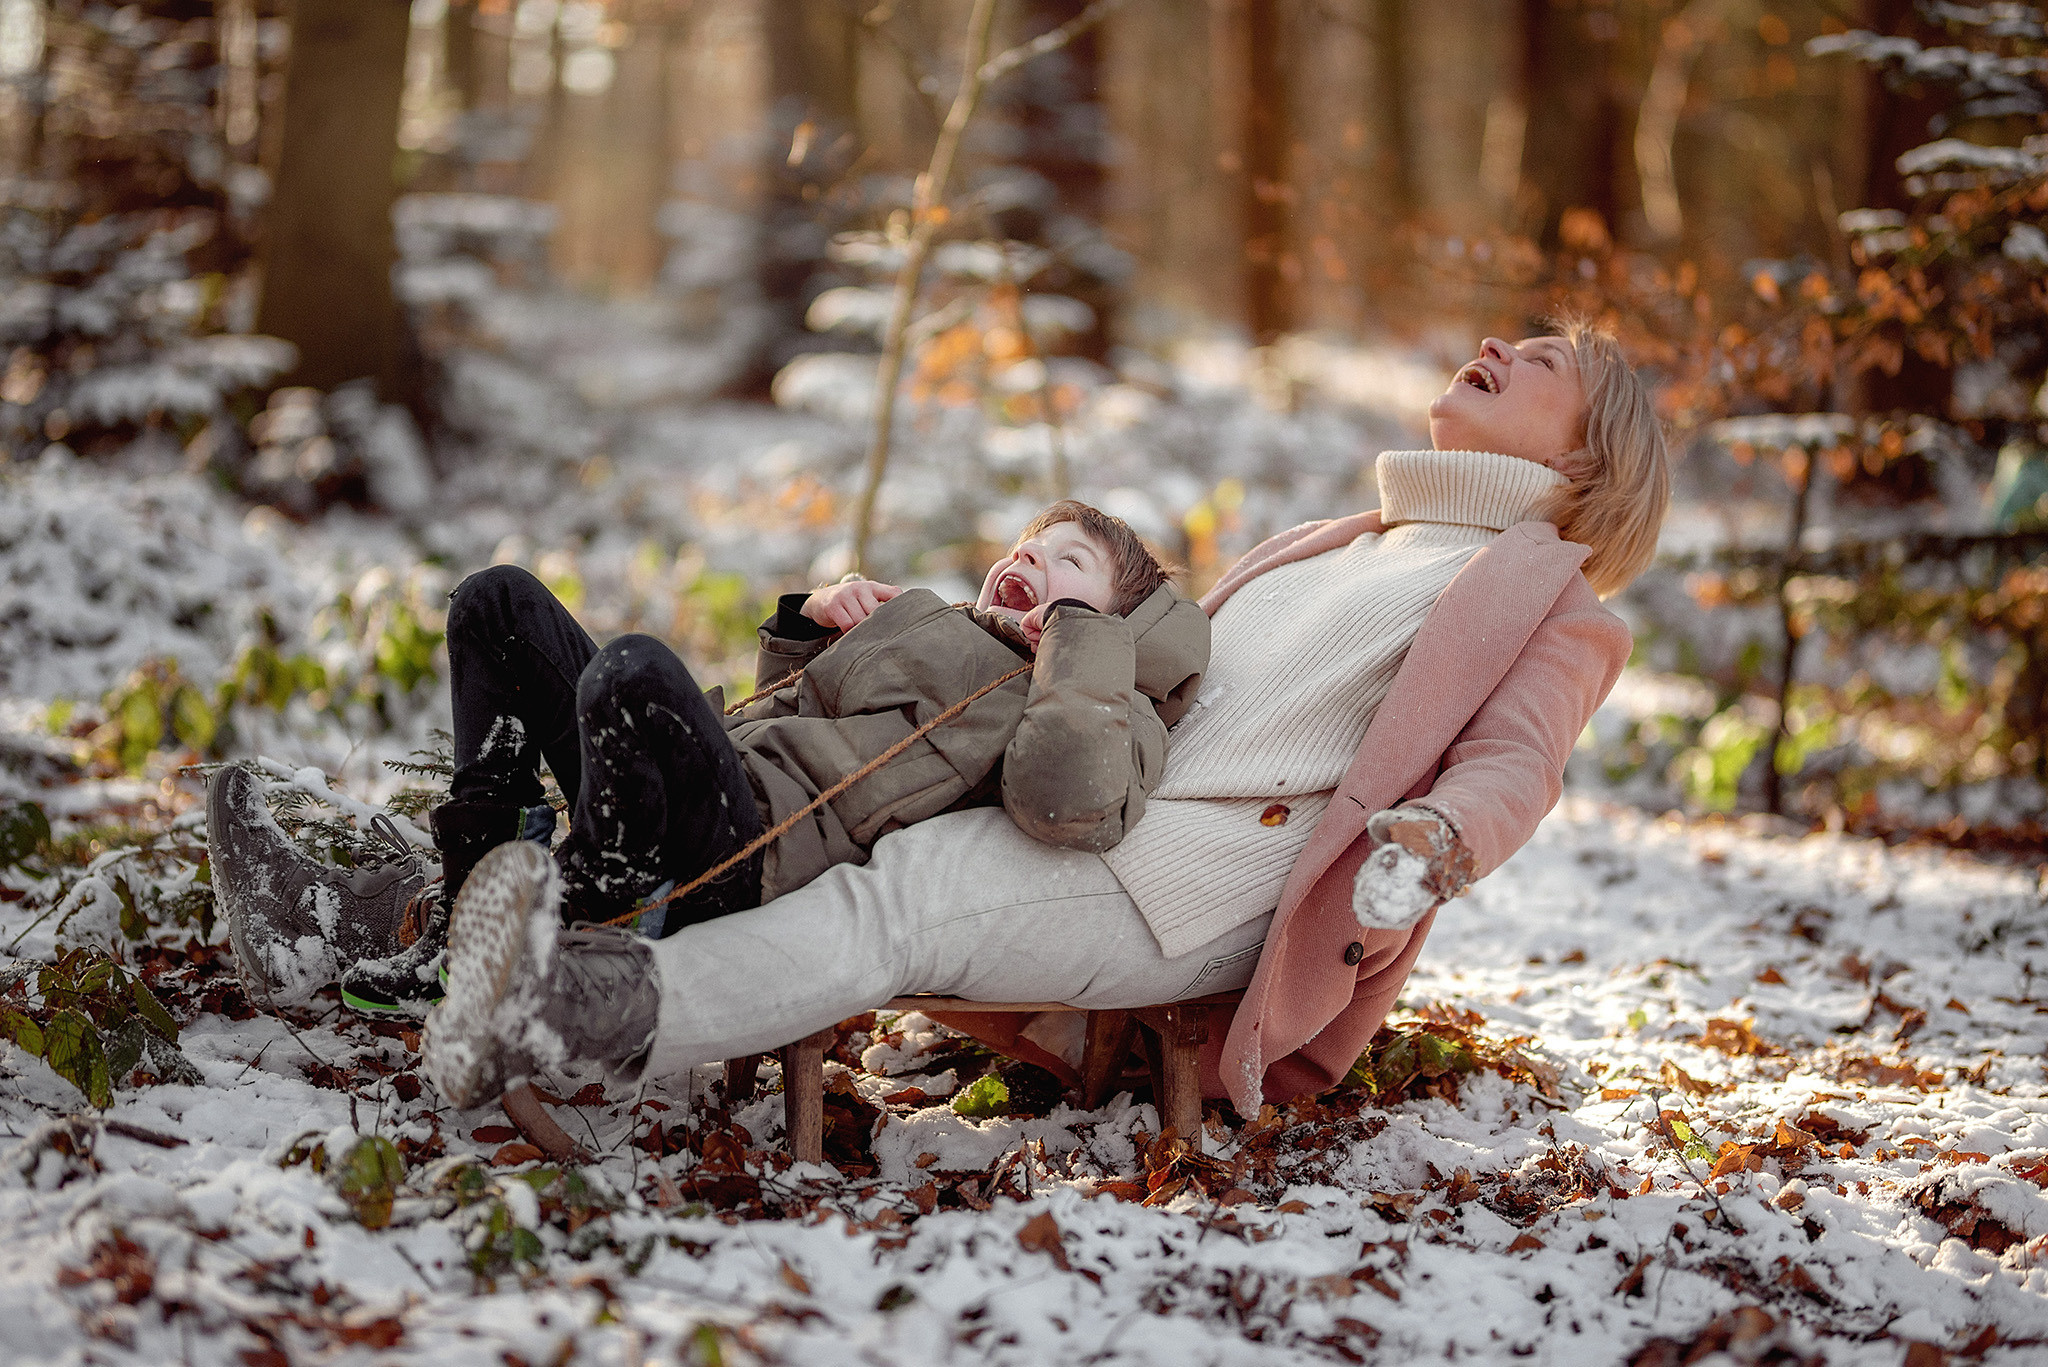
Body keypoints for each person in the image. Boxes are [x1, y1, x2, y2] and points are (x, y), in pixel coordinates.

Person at [420, 318, 1671, 1117]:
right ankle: (443, 928)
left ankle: (566, 1014)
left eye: (1545, 362)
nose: (1501, 345)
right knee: (819, 828)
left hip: (1206, 876)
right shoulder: (1342, 541)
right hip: (1093, 794)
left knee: (892, 903)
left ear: (1581, 465)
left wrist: (1433, 841)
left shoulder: (1551, 604)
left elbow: (1517, 762)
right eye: (1511, 334)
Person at [206, 501, 1208, 1017]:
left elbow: (1061, 802)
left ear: (1113, 622)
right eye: (1027, 544)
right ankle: (466, 911)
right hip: (700, 794)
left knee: (632, 670)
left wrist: (1077, 650)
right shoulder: (945, 626)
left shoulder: (1093, 702)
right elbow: (792, 713)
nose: (1029, 559)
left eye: (1066, 562)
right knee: (495, 600)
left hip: (736, 850)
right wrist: (809, 629)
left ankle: (555, 912)